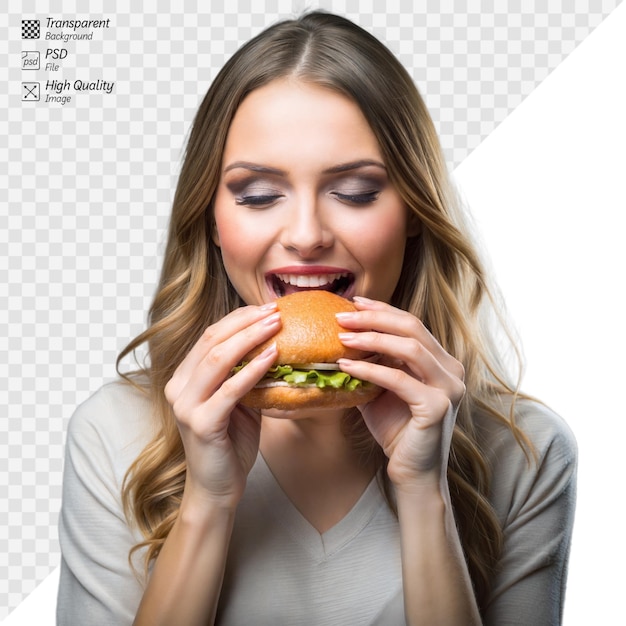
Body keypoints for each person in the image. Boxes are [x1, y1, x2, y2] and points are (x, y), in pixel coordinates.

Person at [56, 11, 577, 626]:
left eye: (355, 191)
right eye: (256, 194)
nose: (305, 236)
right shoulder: (114, 435)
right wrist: (208, 500)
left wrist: (424, 495)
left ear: (414, 209)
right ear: (212, 221)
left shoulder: (527, 451)